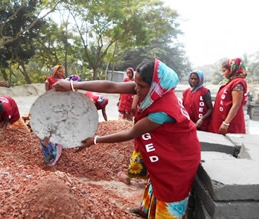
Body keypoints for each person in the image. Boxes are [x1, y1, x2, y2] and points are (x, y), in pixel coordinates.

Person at [53, 59, 201, 218]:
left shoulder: (163, 111)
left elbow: (131, 133)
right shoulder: (150, 89)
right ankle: (146, 210)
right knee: (155, 180)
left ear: (155, 86)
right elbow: (111, 86)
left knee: (169, 190)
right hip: (167, 148)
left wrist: (94, 140)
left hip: (178, 157)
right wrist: (74, 85)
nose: (136, 89)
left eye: (141, 86)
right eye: (135, 83)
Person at [208, 58, 248, 135]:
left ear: (232, 70)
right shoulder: (230, 82)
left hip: (230, 124)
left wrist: (226, 123)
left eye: (224, 71)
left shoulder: (238, 82)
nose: (223, 74)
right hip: (220, 121)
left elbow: (236, 104)